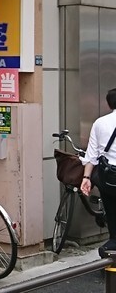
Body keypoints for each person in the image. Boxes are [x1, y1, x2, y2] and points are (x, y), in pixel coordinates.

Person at [81, 87, 116, 257]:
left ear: (109, 104)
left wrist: (86, 177)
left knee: (112, 214)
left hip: (109, 179)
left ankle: (113, 246)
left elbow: (91, 155)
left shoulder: (100, 123)